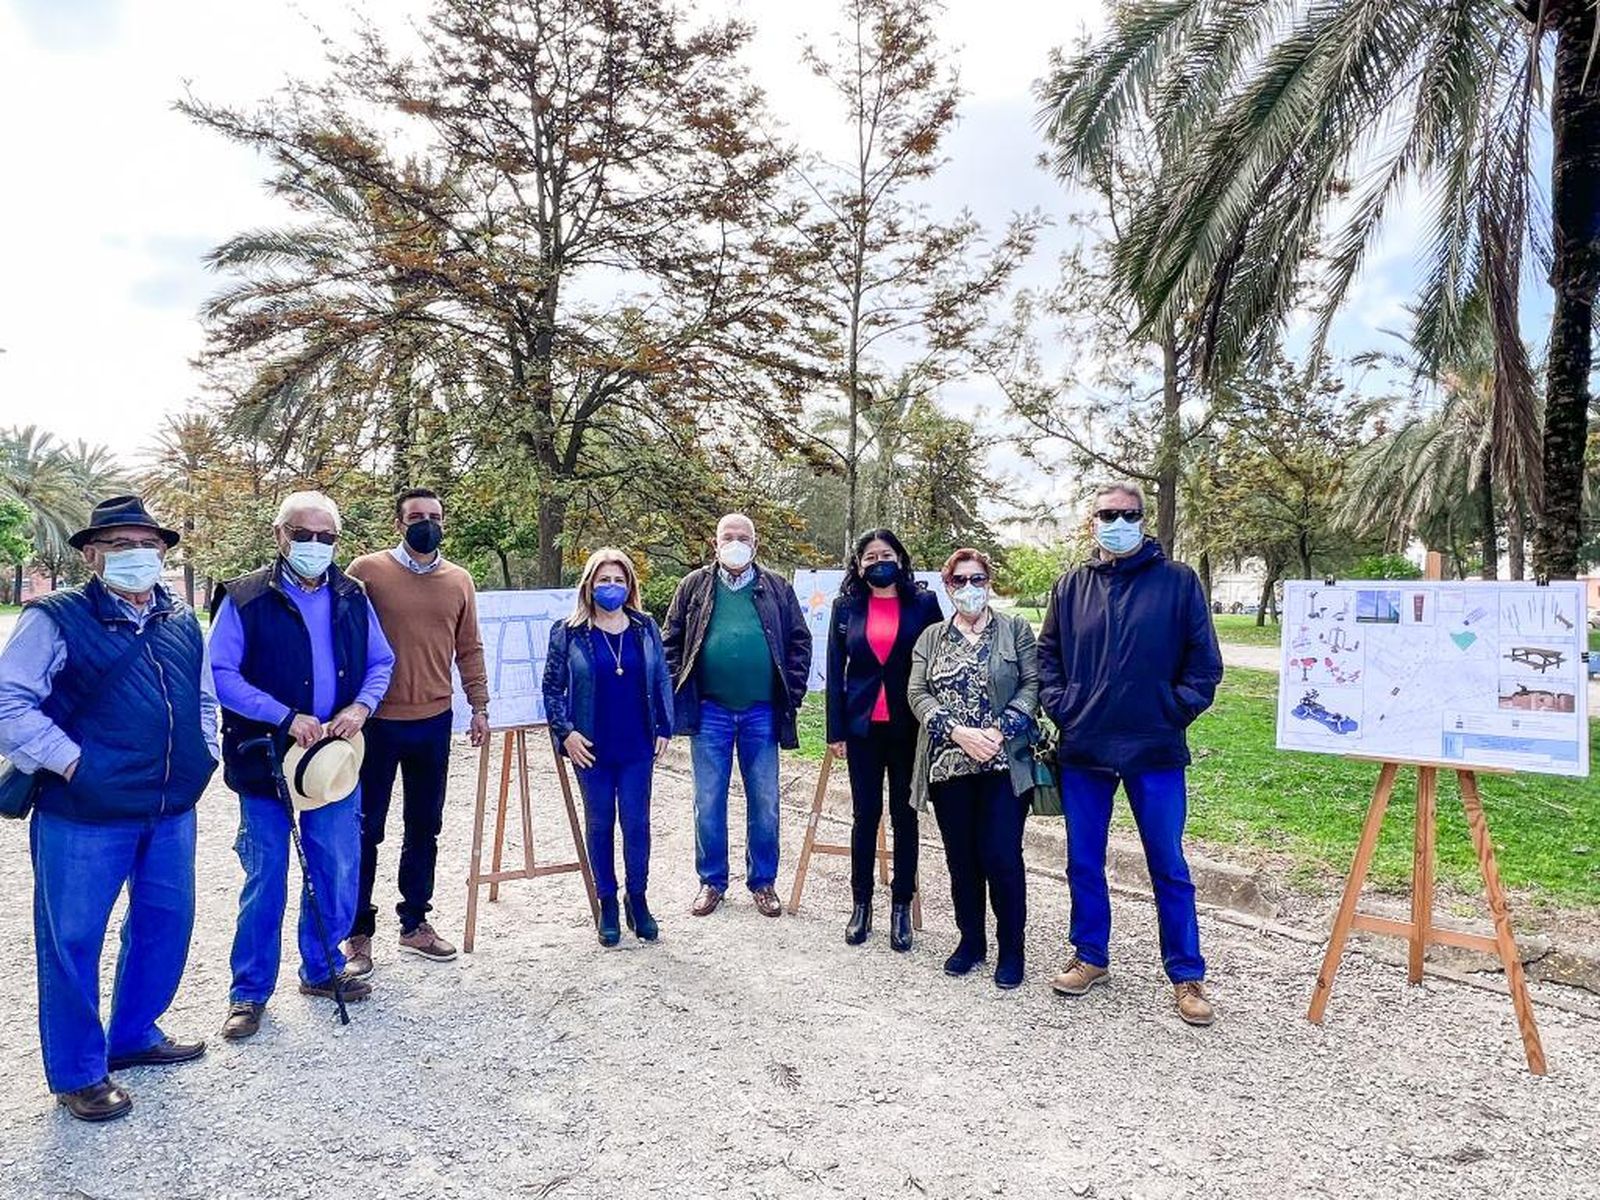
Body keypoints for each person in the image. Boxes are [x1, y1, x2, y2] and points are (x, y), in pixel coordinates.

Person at [0, 495, 218, 1122]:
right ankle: (78, 1073)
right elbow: (10, 705)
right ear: (92, 555)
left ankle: (132, 1035)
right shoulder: (55, 617)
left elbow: (203, 699)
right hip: (84, 814)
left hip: (170, 807)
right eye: (120, 545)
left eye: (147, 544)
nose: (137, 556)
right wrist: (75, 763)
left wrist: (203, 754)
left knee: (164, 924)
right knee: (71, 940)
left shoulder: (181, 620)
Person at [1036, 482, 1224, 1027]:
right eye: (1106, 514)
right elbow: (1049, 657)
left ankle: (1186, 974)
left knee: (1168, 864)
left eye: (1128, 514)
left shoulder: (1178, 583)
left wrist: (1172, 708)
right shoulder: (1071, 587)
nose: (1117, 522)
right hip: (1085, 749)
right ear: (1090, 521)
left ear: (1144, 519)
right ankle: (1090, 954)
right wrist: (1064, 707)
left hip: (1155, 750)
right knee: (1083, 861)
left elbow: (1204, 665)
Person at [210, 490, 395, 1041]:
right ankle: (248, 993)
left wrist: (362, 707)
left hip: (334, 762)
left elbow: (382, 661)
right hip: (267, 762)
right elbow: (221, 674)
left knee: (336, 867)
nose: (315, 544)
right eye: (304, 534)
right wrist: (284, 716)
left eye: (326, 536)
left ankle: (321, 967)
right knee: (266, 877)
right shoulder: (244, 599)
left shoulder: (352, 595)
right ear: (280, 536)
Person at [341, 488, 489, 975]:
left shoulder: (459, 580)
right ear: (399, 523)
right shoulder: (366, 573)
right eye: (417, 516)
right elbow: (340, 635)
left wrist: (480, 705)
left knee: (425, 827)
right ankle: (357, 932)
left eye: (435, 516)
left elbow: (469, 648)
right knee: (366, 829)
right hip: (376, 723)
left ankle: (415, 923)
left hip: (433, 720)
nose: (427, 522)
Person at [663, 513, 811, 918]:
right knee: (707, 799)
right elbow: (670, 640)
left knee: (765, 800)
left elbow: (800, 641)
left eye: (742, 537)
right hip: (709, 710)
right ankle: (712, 881)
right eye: (728, 537)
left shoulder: (777, 588)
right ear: (715, 544)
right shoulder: (693, 587)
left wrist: (791, 693)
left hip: (761, 712)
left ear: (755, 543)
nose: (735, 543)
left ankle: (763, 881)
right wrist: (679, 687)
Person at [907, 549, 1039, 990]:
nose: (968, 588)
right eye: (959, 581)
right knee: (961, 859)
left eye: (976, 578)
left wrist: (998, 732)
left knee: (1001, 856)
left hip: (1004, 764)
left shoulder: (1015, 630)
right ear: (947, 587)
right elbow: (918, 693)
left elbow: (1032, 684)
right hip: (949, 765)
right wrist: (959, 733)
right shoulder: (930, 638)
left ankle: (1011, 948)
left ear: (989, 582)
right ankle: (971, 941)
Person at [542, 548, 674, 946]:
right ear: (589, 585)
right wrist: (565, 732)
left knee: (637, 824)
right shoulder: (568, 631)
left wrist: (665, 725)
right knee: (600, 824)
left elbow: (662, 678)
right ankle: (607, 903)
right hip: (590, 746)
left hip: (637, 743)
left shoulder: (644, 627)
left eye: (618, 580)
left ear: (629, 585)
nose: (611, 587)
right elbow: (551, 687)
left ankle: (638, 898)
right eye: (604, 580)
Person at [825, 529, 943, 950]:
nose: (879, 562)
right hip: (862, 727)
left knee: (905, 817)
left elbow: (936, 663)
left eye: (886, 554)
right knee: (864, 816)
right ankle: (861, 905)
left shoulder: (924, 604)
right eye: (870, 556)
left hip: (909, 726)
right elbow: (836, 669)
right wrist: (835, 731)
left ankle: (901, 906)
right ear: (859, 565)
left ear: (900, 557)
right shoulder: (846, 606)